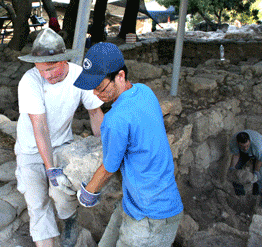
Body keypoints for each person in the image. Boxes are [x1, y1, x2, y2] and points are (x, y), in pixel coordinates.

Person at [73, 42, 183, 247]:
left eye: (100, 87)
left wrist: (86, 195)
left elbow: (108, 168)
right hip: (144, 204)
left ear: (120, 76)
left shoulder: (115, 119)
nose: (96, 94)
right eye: (93, 89)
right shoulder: (144, 91)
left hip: (150, 218)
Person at [16, 28, 104, 247]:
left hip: (62, 145)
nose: (47, 75)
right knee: (37, 203)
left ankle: (70, 221)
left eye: (52, 68)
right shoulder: (29, 81)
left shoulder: (79, 76)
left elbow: (95, 113)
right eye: (42, 69)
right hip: (30, 148)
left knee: (61, 192)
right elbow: (40, 127)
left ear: (64, 60)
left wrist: (107, 148)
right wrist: (50, 168)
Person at [228, 130, 262, 196]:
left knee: (258, 177)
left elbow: (259, 160)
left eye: (247, 146)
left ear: (249, 141)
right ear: (238, 143)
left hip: (261, 153)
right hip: (243, 153)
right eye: (243, 146)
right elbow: (236, 155)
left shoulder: (257, 145)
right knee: (235, 174)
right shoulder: (233, 142)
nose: (246, 148)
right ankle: (240, 195)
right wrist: (232, 168)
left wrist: (256, 172)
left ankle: (257, 196)